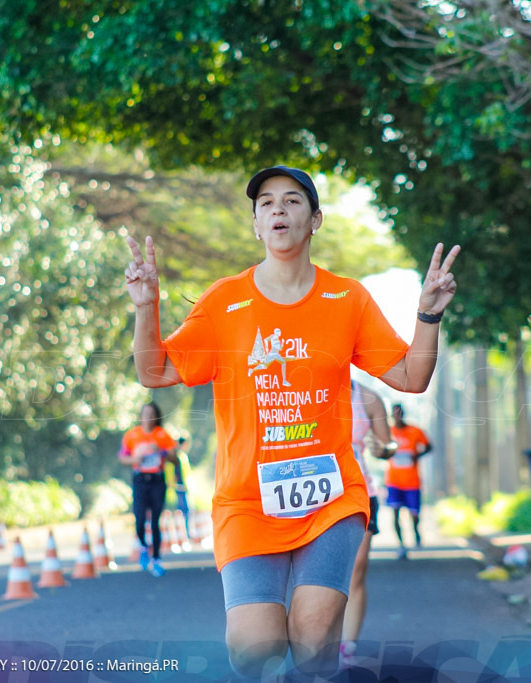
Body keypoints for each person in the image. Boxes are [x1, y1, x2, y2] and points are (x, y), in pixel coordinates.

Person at [123, 165, 459, 677]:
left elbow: (412, 377)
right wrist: (147, 308)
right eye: (266, 203)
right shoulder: (223, 302)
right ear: (256, 224)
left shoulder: (347, 299)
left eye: (293, 200)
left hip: (330, 498)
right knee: (255, 648)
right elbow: (154, 370)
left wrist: (428, 316)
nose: (278, 209)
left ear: (315, 219)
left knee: (313, 639)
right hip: (247, 501)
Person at [340, 381, 395, 666]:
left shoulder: (369, 398)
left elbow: (388, 446)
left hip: (359, 492)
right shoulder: (301, 391)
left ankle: (347, 645)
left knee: (356, 571)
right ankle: (313, 638)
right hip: (314, 497)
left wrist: (382, 449)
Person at [118, 401, 176, 577]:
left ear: (156, 416)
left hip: (157, 480)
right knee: (140, 518)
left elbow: (175, 457)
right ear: (141, 416)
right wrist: (136, 459)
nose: (148, 417)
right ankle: (143, 546)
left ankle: (157, 559)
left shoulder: (162, 435)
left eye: (152, 414)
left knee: (156, 521)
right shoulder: (132, 435)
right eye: (145, 414)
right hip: (140, 480)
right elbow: (122, 457)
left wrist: (161, 451)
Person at [385, 403, 431, 559]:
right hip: (394, 480)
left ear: (403, 414)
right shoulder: (388, 432)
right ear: (391, 415)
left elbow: (429, 446)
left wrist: (416, 456)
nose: (397, 416)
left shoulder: (415, 431)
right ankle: (401, 545)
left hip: (412, 481)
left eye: (399, 413)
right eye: (394, 414)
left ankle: (416, 532)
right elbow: (380, 449)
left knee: (414, 515)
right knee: (395, 513)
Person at [165, 435, 194, 540]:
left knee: (187, 511)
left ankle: (186, 534)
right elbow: (168, 475)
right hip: (175, 489)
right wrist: (172, 485)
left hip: (184, 488)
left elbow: (187, 473)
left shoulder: (182, 456)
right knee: (175, 513)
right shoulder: (170, 458)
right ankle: (176, 536)